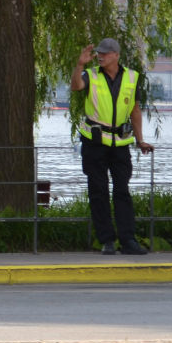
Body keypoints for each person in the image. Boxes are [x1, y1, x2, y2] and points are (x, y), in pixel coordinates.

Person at [71, 38, 153, 255]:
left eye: (106, 53)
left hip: (120, 144)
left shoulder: (132, 77)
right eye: (99, 53)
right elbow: (76, 86)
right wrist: (80, 65)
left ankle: (128, 241)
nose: (101, 56)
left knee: (122, 191)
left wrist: (140, 139)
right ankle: (107, 240)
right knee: (98, 192)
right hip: (95, 142)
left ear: (117, 55)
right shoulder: (91, 75)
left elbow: (135, 110)